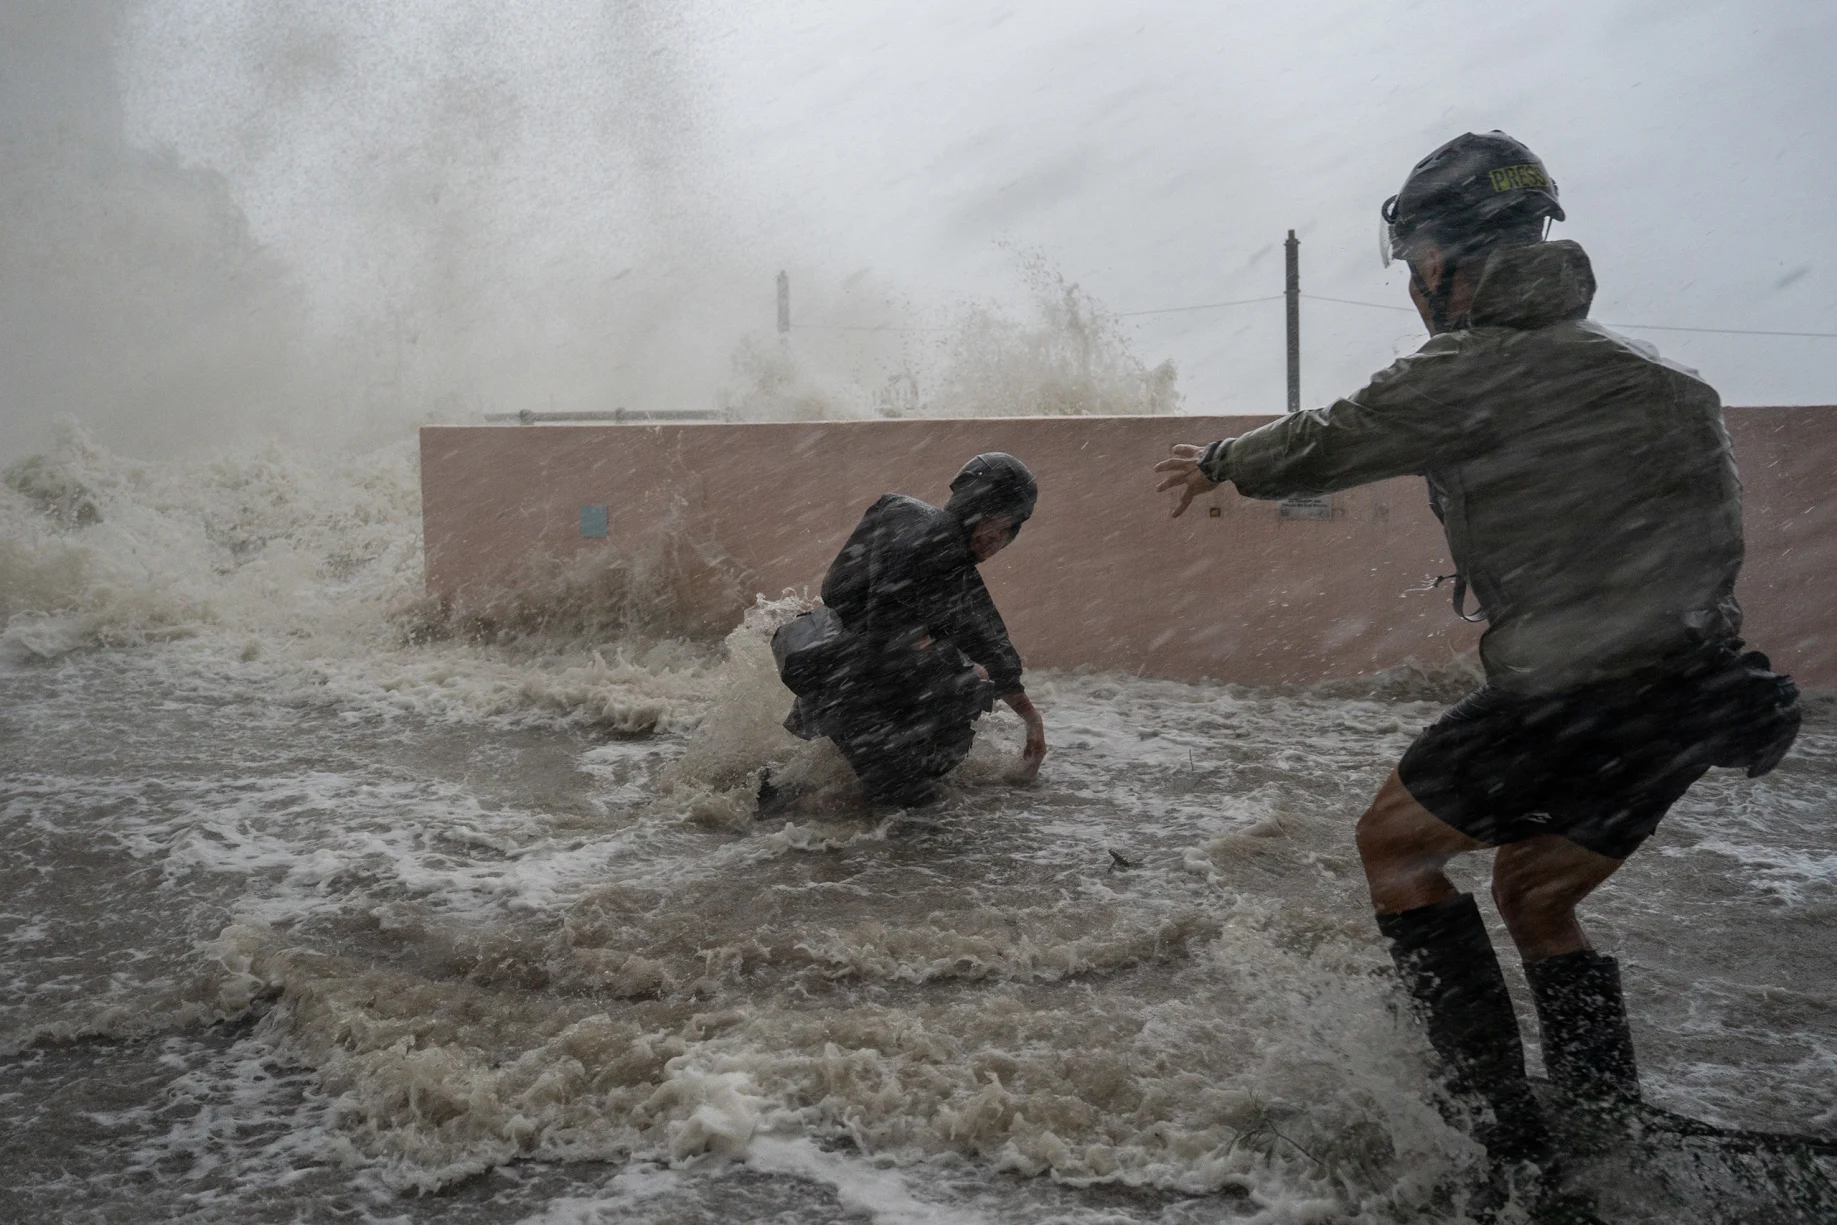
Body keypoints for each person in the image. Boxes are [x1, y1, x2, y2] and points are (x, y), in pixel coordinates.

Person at [1154, 132, 1801, 1170]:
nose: (1412, 287)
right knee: (1534, 894)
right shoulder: (1670, 385)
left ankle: (1496, 1124)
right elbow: (1706, 548)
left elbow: (1333, 436)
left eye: (1413, 263)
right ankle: (1601, 1110)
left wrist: (1225, 459)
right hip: (1703, 690)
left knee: (1393, 846)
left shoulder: (1470, 369)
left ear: (1455, 258)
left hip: (1574, 690)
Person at [770, 452, 1048, 810]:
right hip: (848, 682)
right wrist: (956, 665)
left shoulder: (940, 547)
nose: (999, 536)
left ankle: (799, 797)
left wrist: (1031, 717)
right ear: (973, 507)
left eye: (1010, 527)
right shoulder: (931, 541)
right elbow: (888, 629)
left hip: (843, 676)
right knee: (908, 801)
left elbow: (986, 640)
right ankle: (779, 804)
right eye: (998, 520)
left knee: (962, 686)